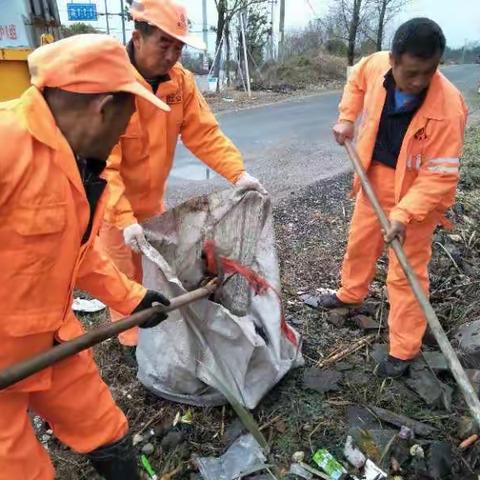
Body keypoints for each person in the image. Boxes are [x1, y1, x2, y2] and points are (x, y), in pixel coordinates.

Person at [0, 34, 173, 480]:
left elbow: (77, 254)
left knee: (105, 428)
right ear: (103, 109)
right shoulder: (7, 144)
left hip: (51, 339)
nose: (122, 137)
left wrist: (133, 299)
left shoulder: (78, 165)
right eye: (125, 122)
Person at [99, 0, 267, 348]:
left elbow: (204, 134)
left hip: (152, 203)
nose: (173, 55)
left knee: (155, 274)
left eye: (179, 46)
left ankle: (157, 335)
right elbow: (102, 164)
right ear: (138, 37)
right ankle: (131, 343)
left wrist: (238, 174)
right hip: (112, 208)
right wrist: (124, 217)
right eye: (165, 43)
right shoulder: (109, 85)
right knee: (121, 275)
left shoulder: (181, 84)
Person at [319, 18, 467, 378]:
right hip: (375, 177)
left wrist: (404, 214)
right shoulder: (375, 65)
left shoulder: (449, 108)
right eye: (412, 73)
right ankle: (351, 293)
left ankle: (404, 349)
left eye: (428, 72)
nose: (419, 82)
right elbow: (354, 81)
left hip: (417, 197)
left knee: (407, 272)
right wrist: (346, 118)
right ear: (394, 59)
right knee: (360, 242)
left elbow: (439, 177)